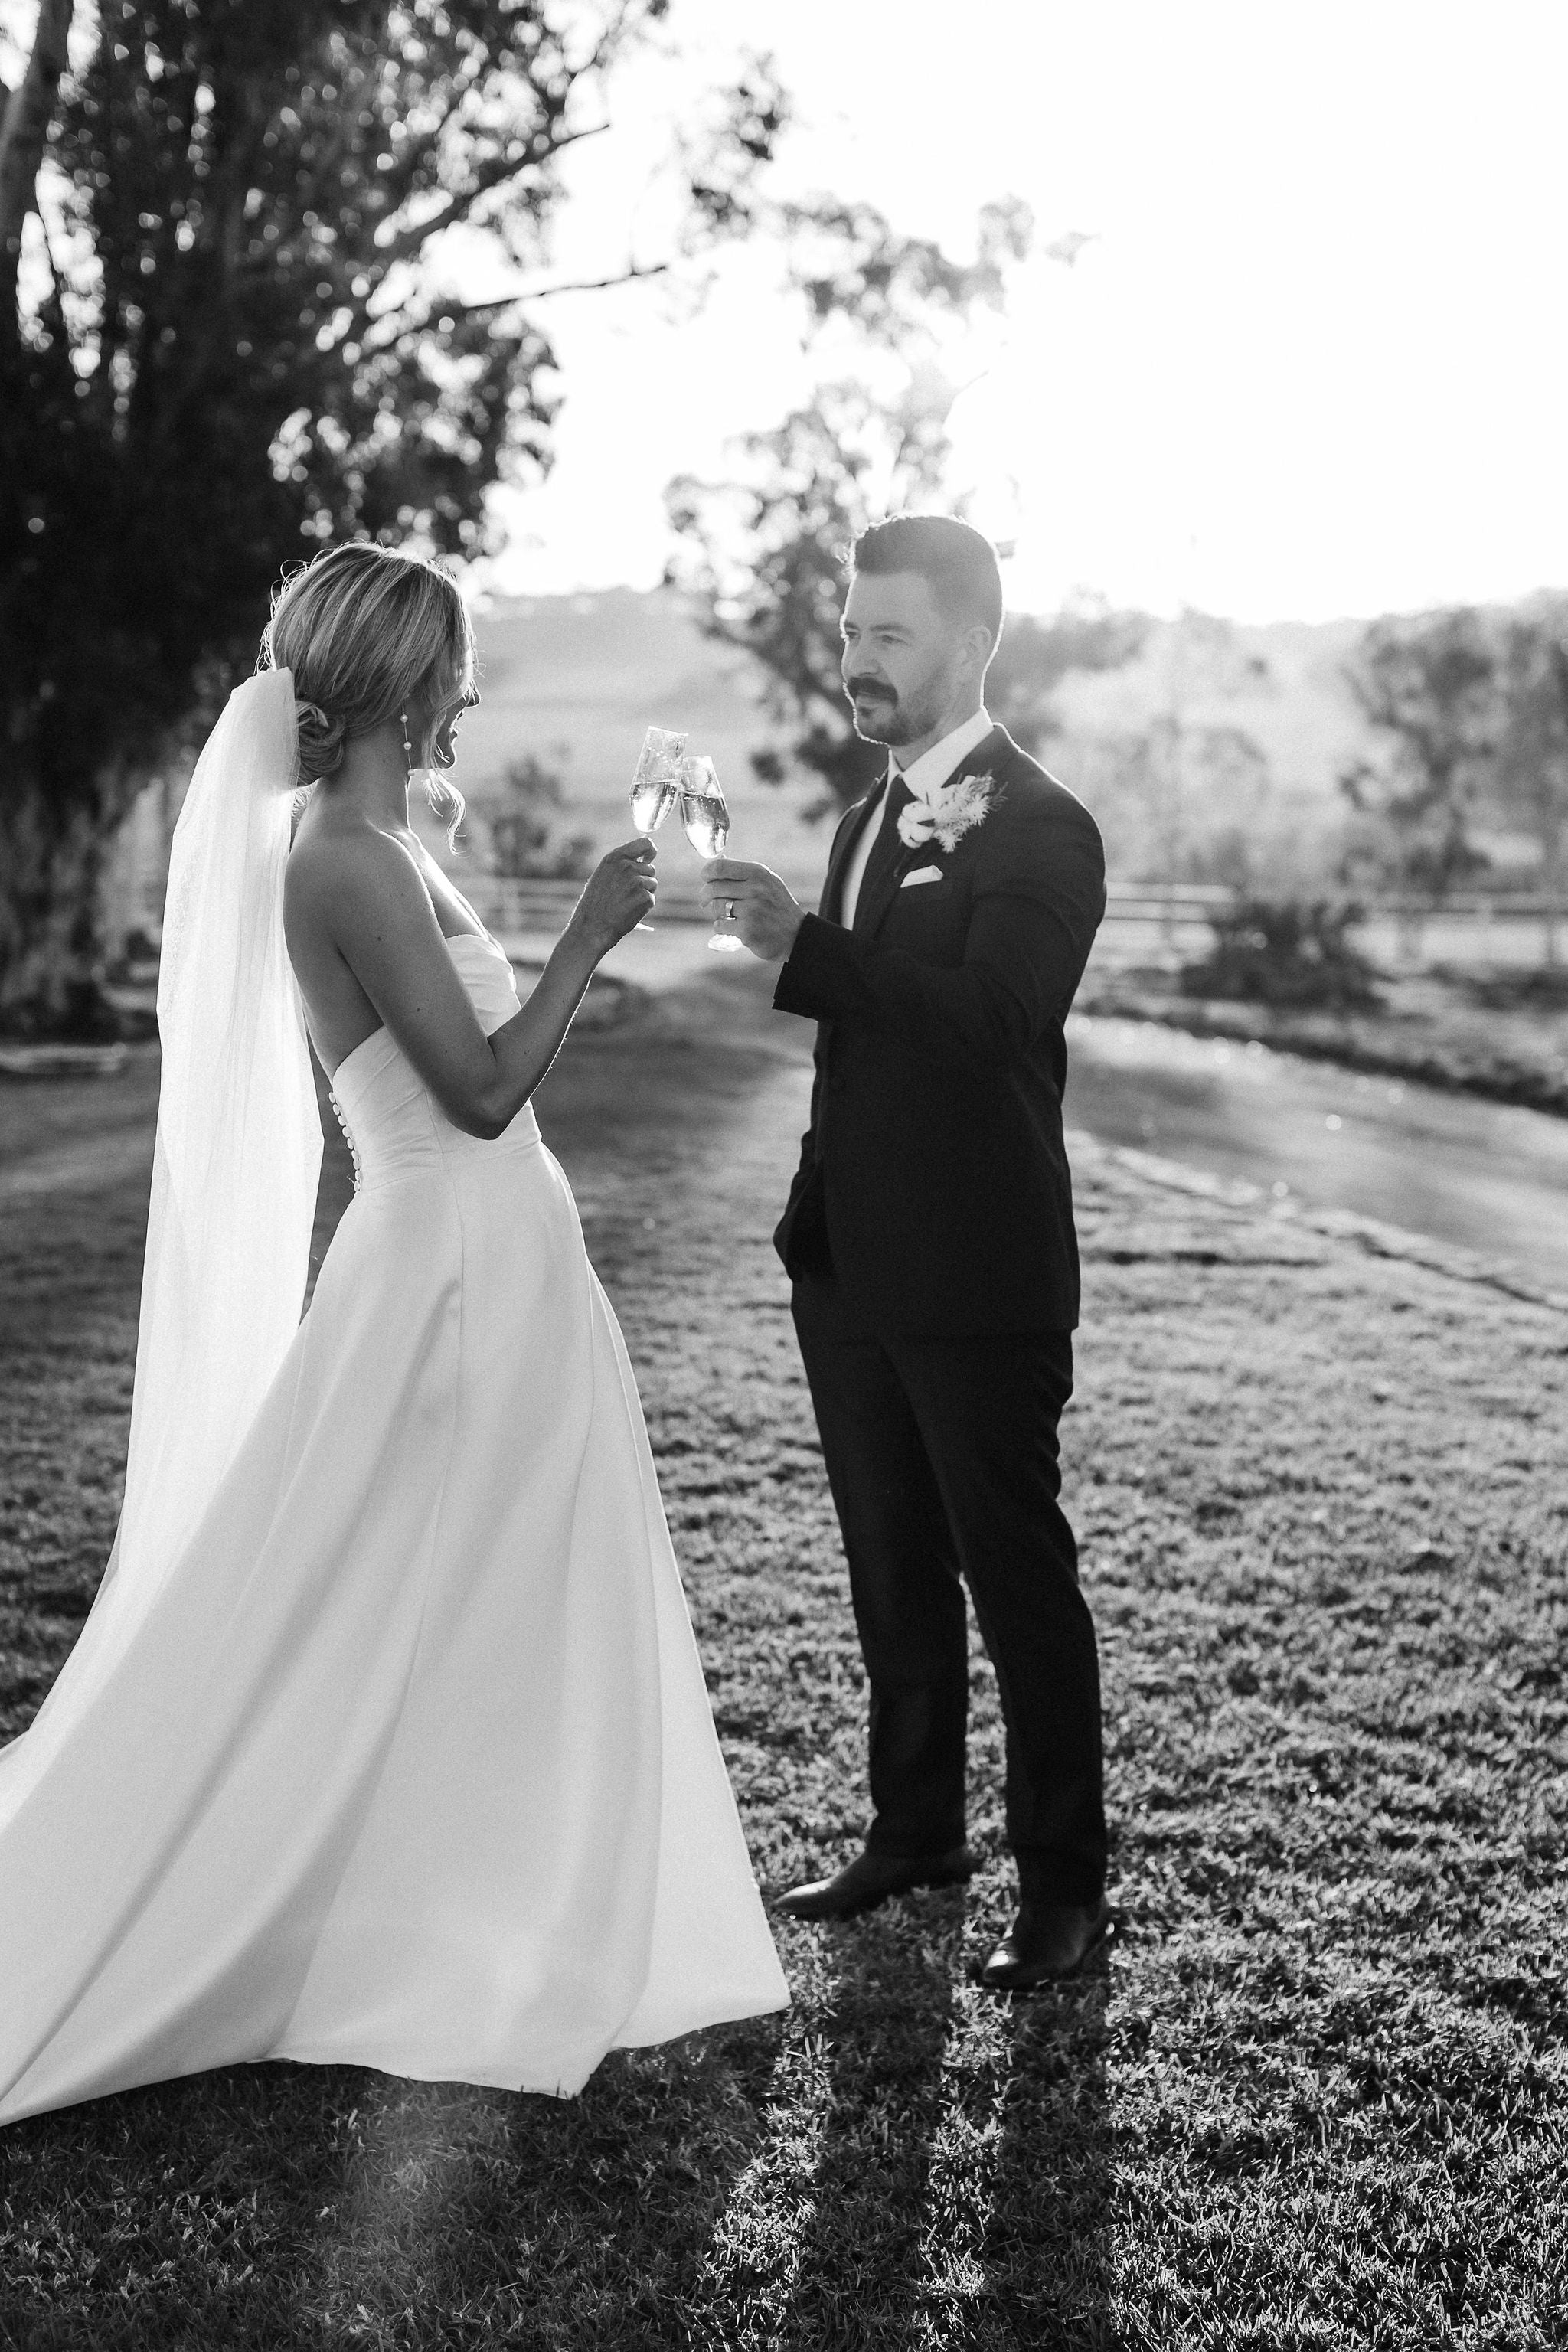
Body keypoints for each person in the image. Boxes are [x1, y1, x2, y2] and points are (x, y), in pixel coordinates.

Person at [0, 542, 787, 2126]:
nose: (475, 692)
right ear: (401, 681)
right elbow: (483, 1091)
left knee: (492, 1589)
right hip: (443, 1261)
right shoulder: (340, 860)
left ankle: (494, 1901)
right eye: (457, 667)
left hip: (504, 1253)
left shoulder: (386, 838)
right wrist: (585, 936)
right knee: (358, 1597)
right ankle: (323, 1899)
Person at [704, 514, 1109, 1987]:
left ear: (971, 643)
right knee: (889, 1565)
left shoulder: (1045, 826)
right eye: (851, 631)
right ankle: (915, 1830)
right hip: (852, 1268)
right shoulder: (868, 817)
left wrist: (804, 953)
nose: (857, 659)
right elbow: (864, 1056)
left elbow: (996, 1020)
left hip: (982, 1272)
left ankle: (1064, 1886)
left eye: (888, 635)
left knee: (1016, 1577)